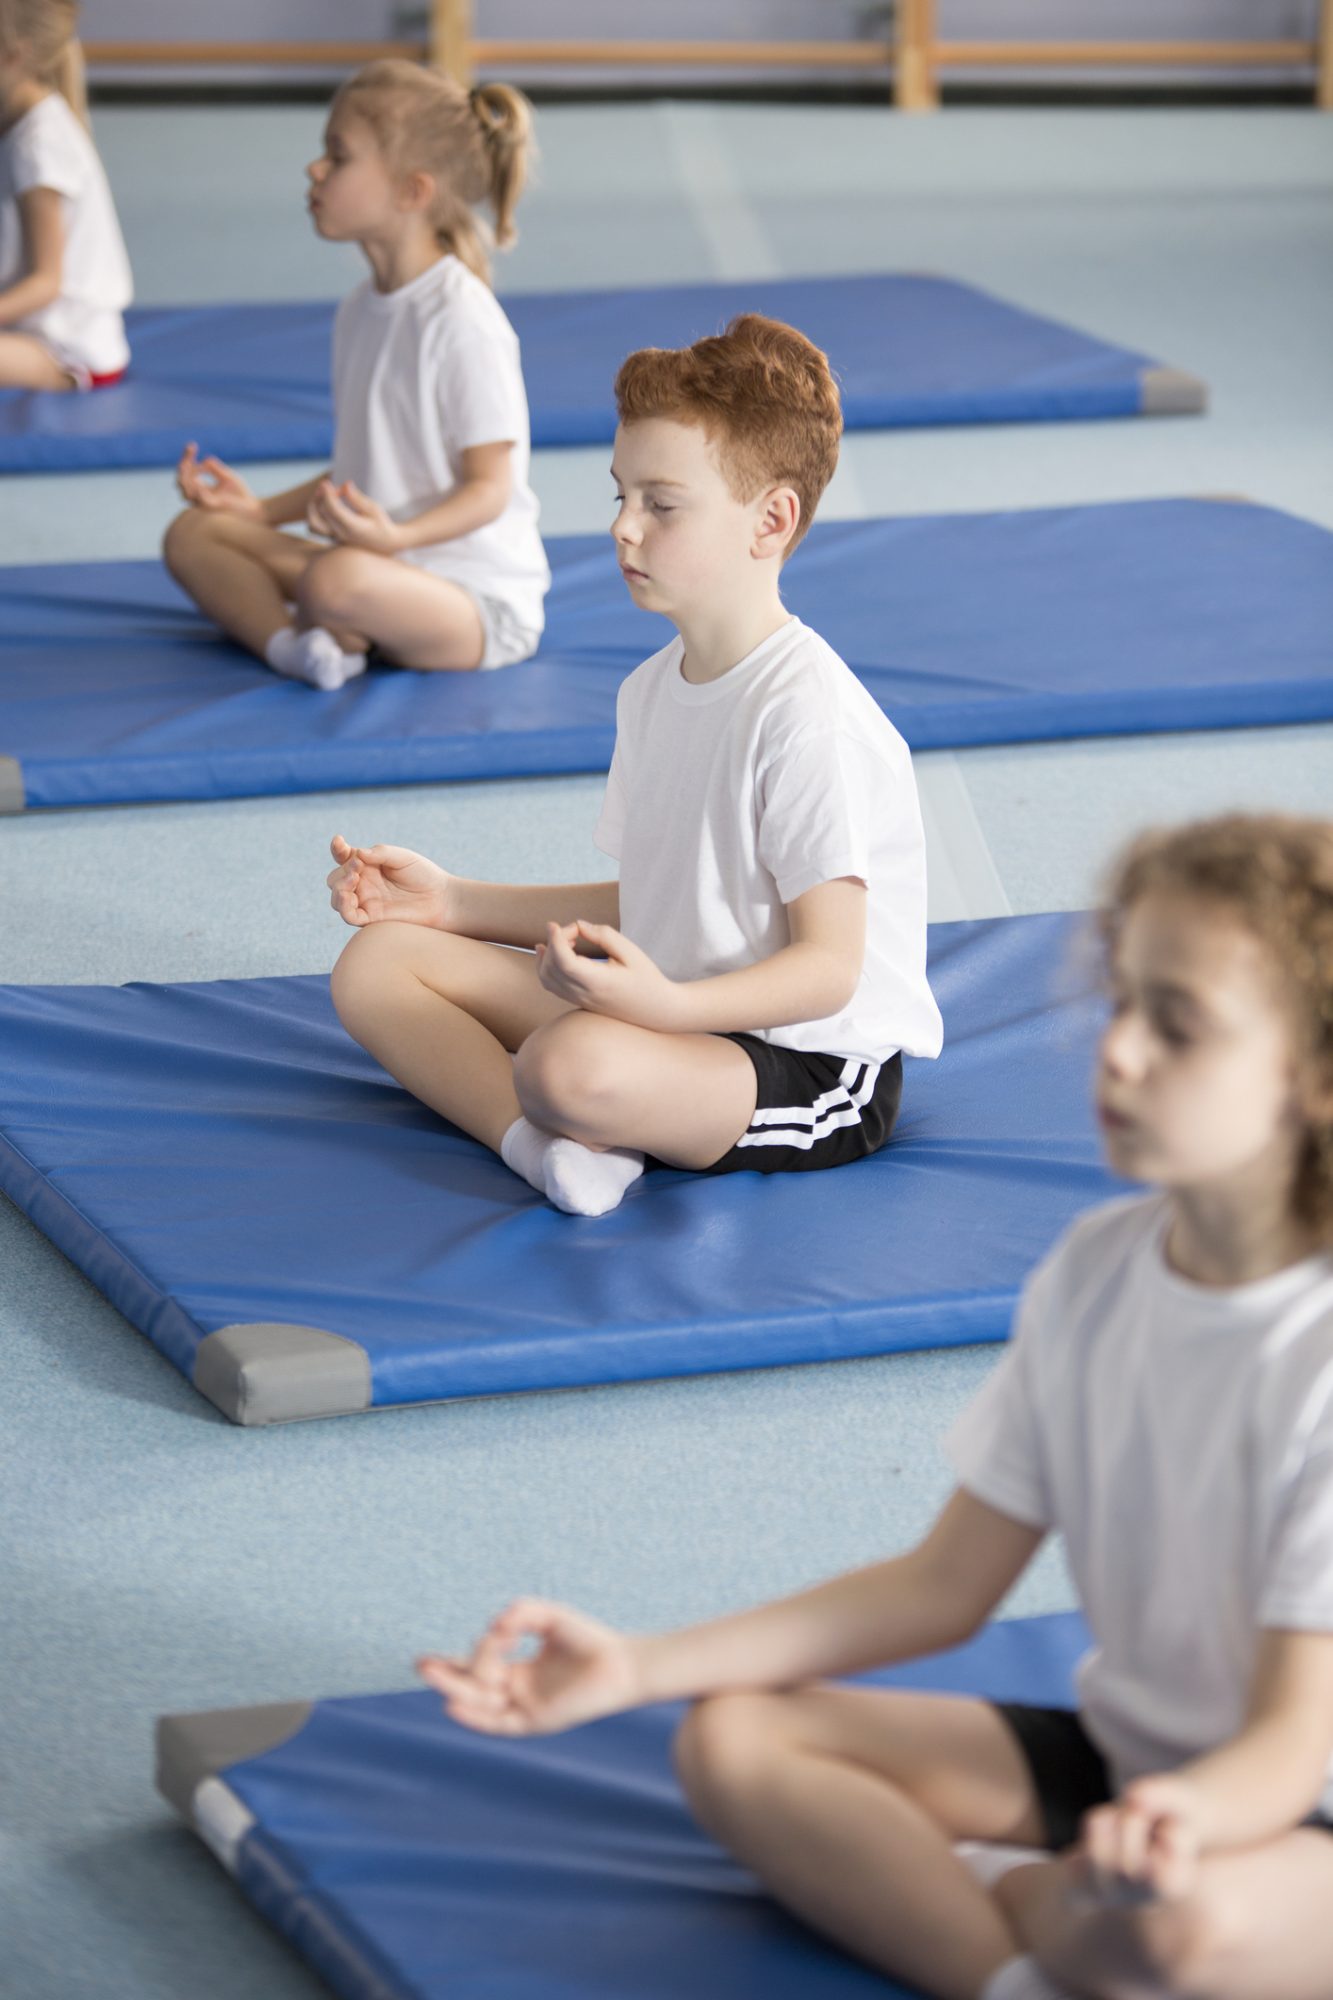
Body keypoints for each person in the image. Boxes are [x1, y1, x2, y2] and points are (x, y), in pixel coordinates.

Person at [418, 813, 1333, 2000]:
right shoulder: (1102, 1269)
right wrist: (638, 1667)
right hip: (1133, 1772)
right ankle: (1018, 1961)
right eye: (1121, 1004)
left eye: (1179, 1028)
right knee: (737, 1740)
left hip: (1275, 1795)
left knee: (1175, 1932)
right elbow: (941, 1584)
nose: (1116, 1054)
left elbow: (1290, 1739)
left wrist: (1186, 1816)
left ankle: (1039, 1905)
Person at [326, 312, 941, 1216]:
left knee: (569, 1065)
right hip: (678, 1015)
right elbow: (665, 899)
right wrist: (453, 903)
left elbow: (827, 971)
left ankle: (564, 1112)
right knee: (378, 964)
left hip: (808, 1065)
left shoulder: (810, 718)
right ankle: (543, 1152)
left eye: (661, 504)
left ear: (770, 520)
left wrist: (657, 1008)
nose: (622, 528)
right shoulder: (651, 690)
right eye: (619, 496)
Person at [163, 60, 549, 690]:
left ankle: (331, 622)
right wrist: (259, 512)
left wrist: (398, 538)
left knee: (335, 581)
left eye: (337, 157)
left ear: (412, 192)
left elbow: (490, 489)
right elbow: (364, 467)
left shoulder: (462, 320)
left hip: (475, 604)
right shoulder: (358, 310)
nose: (315, 169)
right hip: (377, 564)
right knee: (193, 533)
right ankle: (298, 648)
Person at [0, 0, 131, 391]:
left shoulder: (40, 144)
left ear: (13, 56)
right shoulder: (16, 120)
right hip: (29, 331)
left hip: (69, 351)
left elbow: (46, 281)